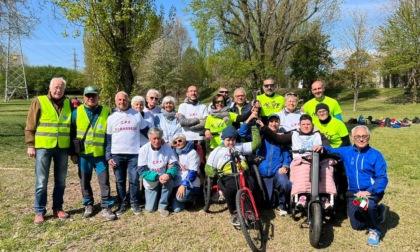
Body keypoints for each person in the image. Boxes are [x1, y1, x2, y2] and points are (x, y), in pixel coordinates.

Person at [313, 125, 389, 247]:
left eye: (364, 136)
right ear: (353, 137)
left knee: (368, 204)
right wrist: (322, 148)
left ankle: (374, 230)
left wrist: (369, 191)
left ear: (369, 137)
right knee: (356, 226)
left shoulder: (376, 155)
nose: (361, 139)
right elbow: (333, 150)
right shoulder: (347, 151)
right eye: (358, 136)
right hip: (353, 193)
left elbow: (382, 177)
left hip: (370, 193)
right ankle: (378, 212)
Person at [256, 114, 335, 210]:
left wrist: (323, 148)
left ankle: (325, 197)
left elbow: (329, 148)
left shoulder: (319, 135)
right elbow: (278, 139)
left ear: (312, 125)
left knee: (326, 172)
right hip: (302, 161)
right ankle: (302, 197)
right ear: (300, 125)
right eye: (303, 124)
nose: (306, 126)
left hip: (319, 160)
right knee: (301, 172)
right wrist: (264, 128)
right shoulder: (294, 134)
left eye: (308, 124)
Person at [25, 77, 72, 225]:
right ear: (50, 88)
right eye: (56, 87)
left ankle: (57, 208)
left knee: (61, 180)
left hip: (62, 147)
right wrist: (31, 145)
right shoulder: (39, 101)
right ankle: (39, 211)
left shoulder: (69, 103)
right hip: (44, 147)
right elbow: (30, 124)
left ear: (64, 90)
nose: (58, 90)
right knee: (41, 181)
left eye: (61, 88)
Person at [71, 86, 116, 221]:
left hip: (100, 155)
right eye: (88, 95)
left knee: (104, 182)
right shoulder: (76, 112)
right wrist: (73, 153)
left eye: (94, 96)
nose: (91, 98)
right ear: (84, 97)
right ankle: (88, 204)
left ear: (98, 97)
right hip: (84, 155)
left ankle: (106, 206)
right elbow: (71, 134)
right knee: (84, 181)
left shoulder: (106, 112)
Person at [205, 125, 261, 226]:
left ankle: (249, 211)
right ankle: (234, 213)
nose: (231, 142)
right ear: (223, 139)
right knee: (229, 190)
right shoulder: (217, 151)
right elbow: (208, 168)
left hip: (242, 173)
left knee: (250, 185)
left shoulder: (240, 146)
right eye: (228, 140)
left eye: (233, 140)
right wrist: (214, 174)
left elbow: (256, 144)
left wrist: (254, 128)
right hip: (227, 176)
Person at [106, 91, 149, 216]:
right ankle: (122, 203)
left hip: (134, 154)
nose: (122, 102)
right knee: (120, 181)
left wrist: (158, 141)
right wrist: (108, 156)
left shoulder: (136, 115)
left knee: (134, 180)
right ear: (116, 101)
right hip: (117, 154)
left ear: (128, 101)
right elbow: (108, 140)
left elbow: (146, 132)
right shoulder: (111, 118)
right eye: (119, 100)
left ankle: (134, 203)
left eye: (124, 100)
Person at [137, 127, 179, 217]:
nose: (157, 141)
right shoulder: (143, 150)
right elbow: (142, 170)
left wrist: (168, 174)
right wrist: (157, 177)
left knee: (170, 182)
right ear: (149, 138)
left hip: (164, 178)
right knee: (150, 209)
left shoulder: (166, 147)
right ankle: (156, 195)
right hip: (151, 181)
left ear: (161, 138)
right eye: (154, 138)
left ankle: (163, 206)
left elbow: (175, 164)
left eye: (159, 138)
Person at [255, 114, 291, 216]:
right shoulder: (261, 136)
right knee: (268, 204)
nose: (274, 124)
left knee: (284, 183)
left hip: (277, 170)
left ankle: (282, 205)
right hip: (263, 172)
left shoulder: (282, 137)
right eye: (271, 121)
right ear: (267, 123)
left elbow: (286, 154)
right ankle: (273, 197)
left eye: (276, 121)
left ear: (279, 124)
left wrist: (285, 166)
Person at [178, 85, 208, 175]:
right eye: (191, 91)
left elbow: (205, 123)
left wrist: (190, 125)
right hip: (186, 140)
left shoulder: (203, 106)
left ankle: (202, 187)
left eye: (195, 91)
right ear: (187, 94)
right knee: (187, 165)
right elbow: (182, 122)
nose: (193, 93)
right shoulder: (182, 106)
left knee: (201, 164)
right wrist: (198, 120)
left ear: (197, 93)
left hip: (199, 140)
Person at [171, 133, 201, 212]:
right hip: (177, 182)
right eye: (175, 142)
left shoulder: (192, 153)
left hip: (190, 183)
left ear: (185, 140)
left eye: (180, 140)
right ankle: (180, 200)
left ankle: (193, 198)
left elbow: (193, 172)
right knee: (177, 209)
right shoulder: (174, 153)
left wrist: (184, 185)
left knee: (181, 197)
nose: (178, 143)